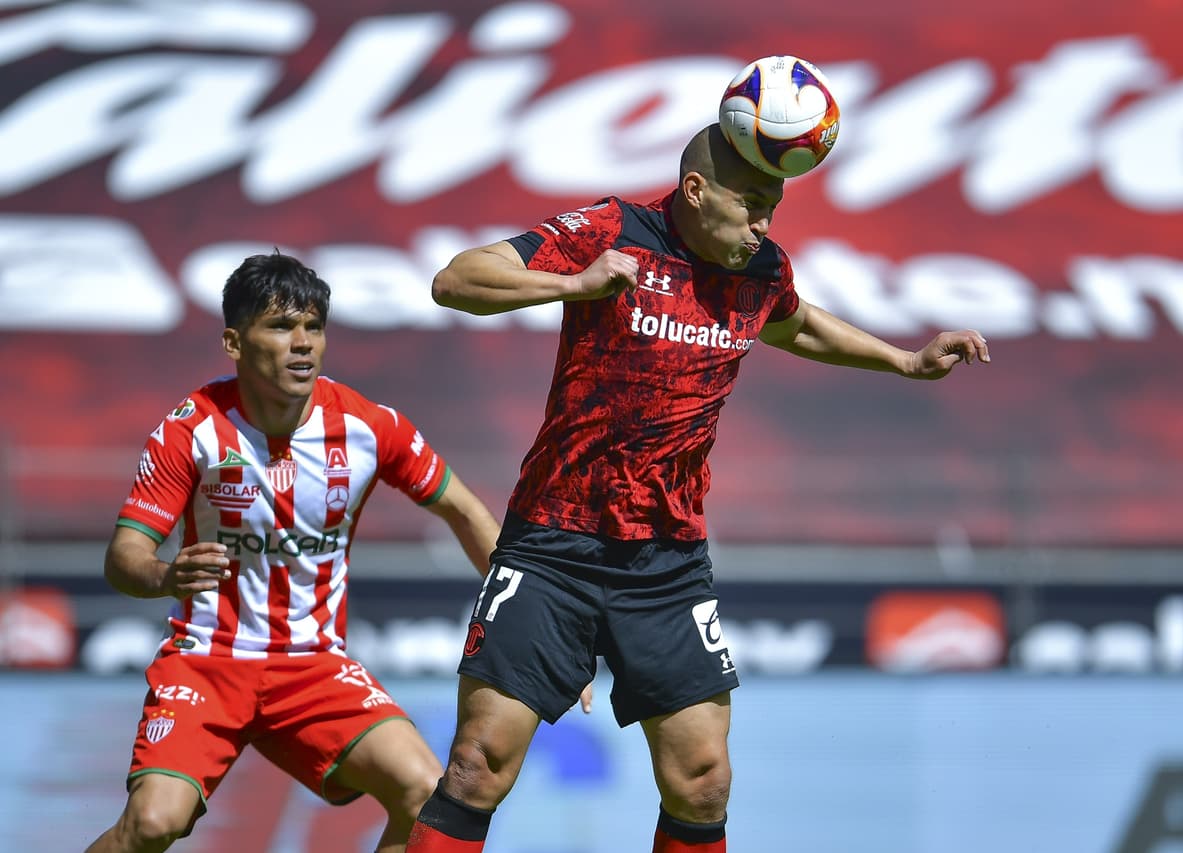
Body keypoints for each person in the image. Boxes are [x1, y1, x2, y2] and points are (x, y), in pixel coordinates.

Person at [407, 124, 991, 853]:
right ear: (695, 191)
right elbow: (456, 280)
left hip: (667, 559)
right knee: (476, 765)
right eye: (750, 204)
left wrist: (905, 361)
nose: (762, 223)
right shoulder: (612, 229)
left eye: (772, 207)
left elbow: (796, 324)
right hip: (554, 542)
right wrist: (574, 283)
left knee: (704, 777)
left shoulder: (760, 269)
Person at [85, 251, 513, 853]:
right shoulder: (191, 430)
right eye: (282, 327)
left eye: (313, 326)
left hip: (314, 667)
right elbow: (122, 556)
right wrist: (164, 575)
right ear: (235, 342)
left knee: (424, 795)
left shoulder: (369, 426)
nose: (303, 343)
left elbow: (465, 511)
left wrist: (523, 617)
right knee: (154, 824)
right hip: (208, 662)